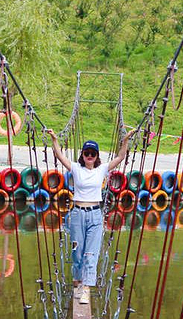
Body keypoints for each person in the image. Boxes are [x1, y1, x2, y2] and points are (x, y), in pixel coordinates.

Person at [47, 128, 135, 304]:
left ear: (96, 156)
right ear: (83, 155)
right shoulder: (75, 168)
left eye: (92, 153)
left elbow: (120, 157)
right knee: (77, 252)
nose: (89, 156)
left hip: (95, 215)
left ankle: (86, 288)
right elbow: (59, 156)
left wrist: (125, 140)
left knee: (90, 253)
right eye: (87, 153)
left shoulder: (102, 169)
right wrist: (55, 139)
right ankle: (78, 282)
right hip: (77, 215)